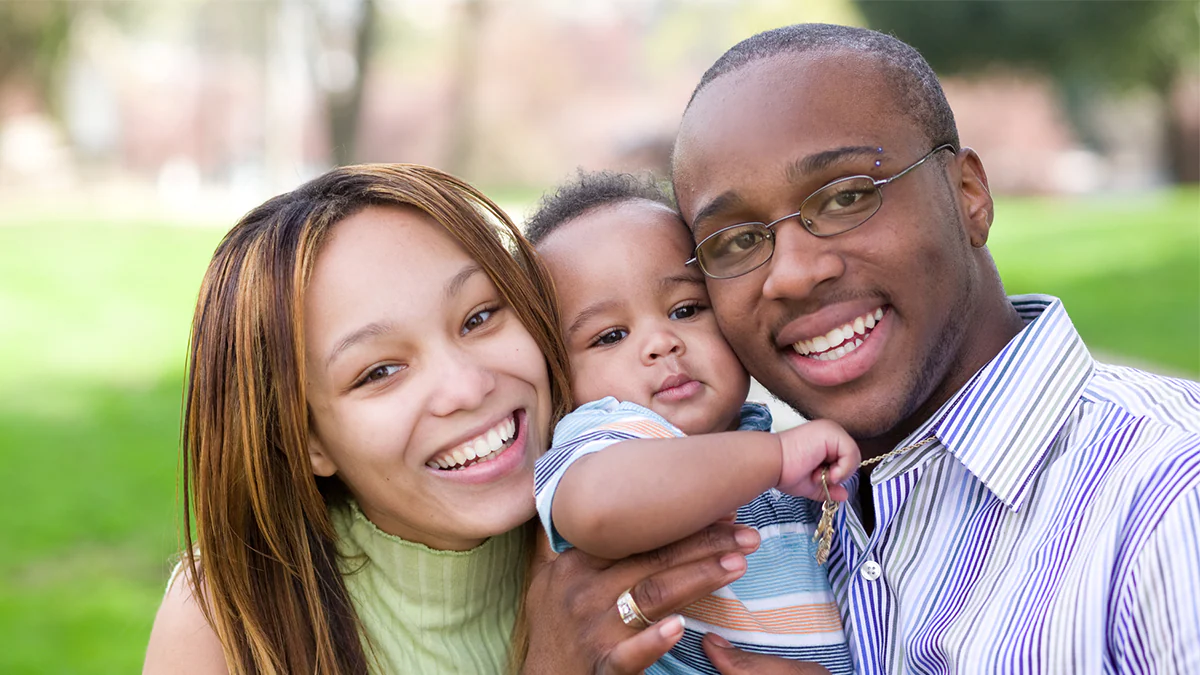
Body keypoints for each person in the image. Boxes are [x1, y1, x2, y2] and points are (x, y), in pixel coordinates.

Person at [668, 23, 1200, 673]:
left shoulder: (1168, 494)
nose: (793, 273)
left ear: (969, 195)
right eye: (738, 241)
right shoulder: (754, 527)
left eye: (845, 197)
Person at [142, 164, 761, 675]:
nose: (466, 388)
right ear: (305, 441)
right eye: (378, 372)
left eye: (478, 318)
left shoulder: (649, 508)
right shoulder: (229, 618)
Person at [524, 171, 858, 674]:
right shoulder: (605, 435)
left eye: (685, 309)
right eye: (610, 336)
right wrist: (778, 458)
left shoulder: (759, 445)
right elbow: (601, 507)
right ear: (559, 382)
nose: (661, 342)